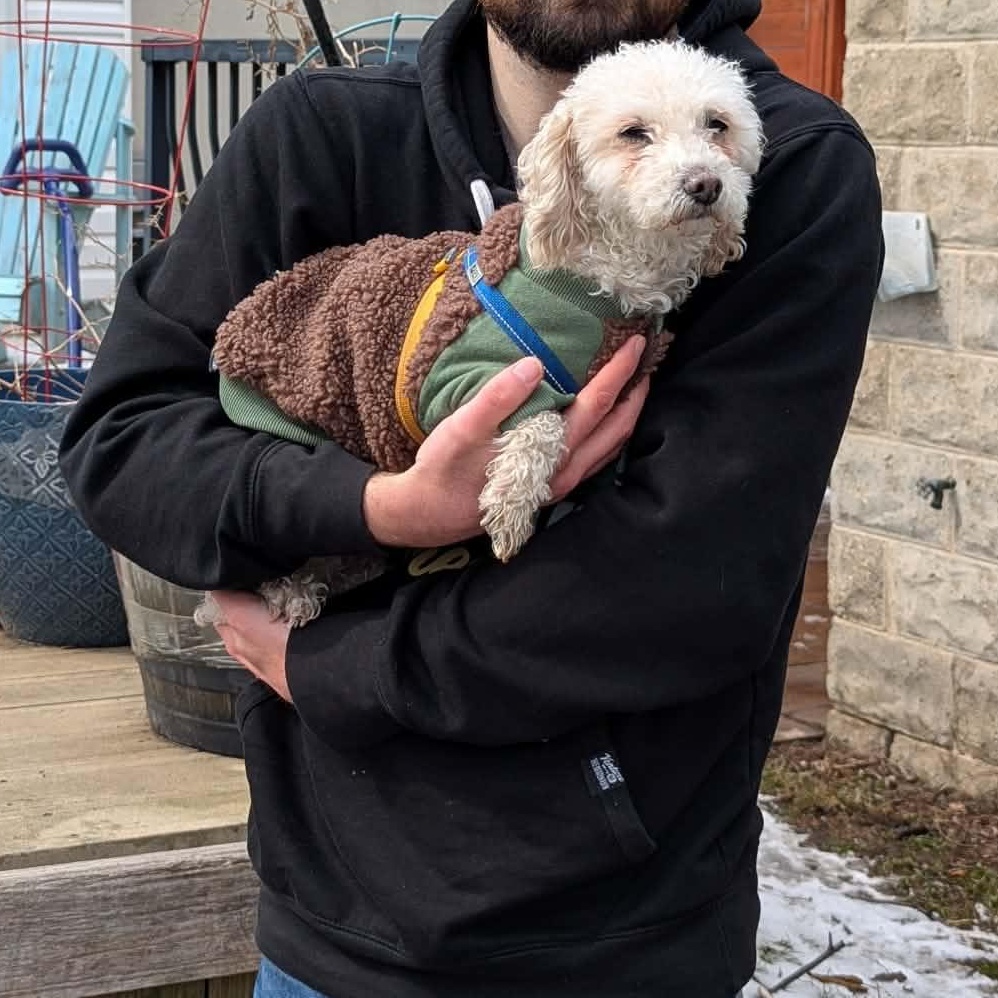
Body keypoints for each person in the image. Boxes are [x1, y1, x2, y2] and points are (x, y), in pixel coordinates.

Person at [59, 0, 883, 995]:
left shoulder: (788, 168)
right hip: (338, 934)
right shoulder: (321, 130)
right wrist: (378, 507)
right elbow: (124, 441)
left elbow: (695, 586)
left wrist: (340, 665)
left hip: (626, 943)